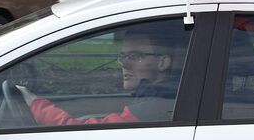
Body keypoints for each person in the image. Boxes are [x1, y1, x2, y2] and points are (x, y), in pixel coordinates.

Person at [19, 26, 182, 125]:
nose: (124, 64)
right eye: (123, 57)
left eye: (135, 56)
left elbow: (79, 133)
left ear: (163, 62)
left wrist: (35, 103)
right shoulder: (165, 96)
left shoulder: (154, 106)